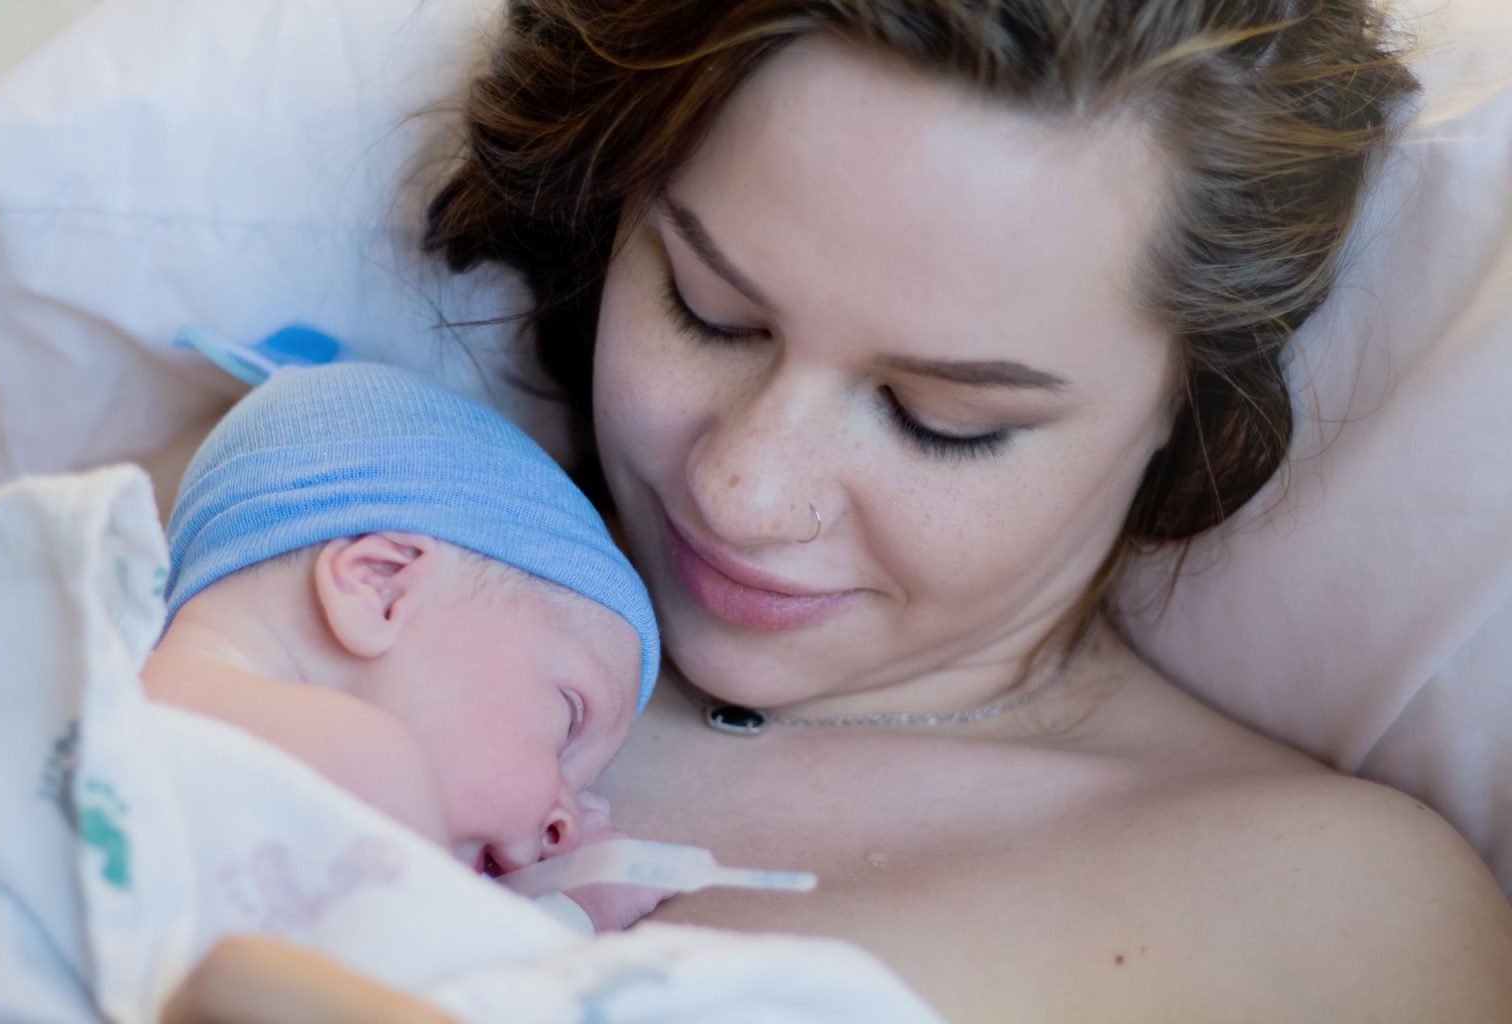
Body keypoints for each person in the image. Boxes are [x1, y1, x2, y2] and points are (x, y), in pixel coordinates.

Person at [168, 0, 1512, 1020]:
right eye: (709, 311)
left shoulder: (1327, 916)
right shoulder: (311, 560)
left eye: (946, 419)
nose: (743, 491)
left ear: (1183, 400)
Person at [140, 360, 664, 932]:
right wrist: (576, 914)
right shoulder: (367, 759)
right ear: (380, 585)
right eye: (568, 721)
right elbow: (432, 986)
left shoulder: (112, 686)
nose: (567, 823)